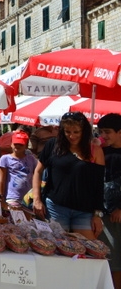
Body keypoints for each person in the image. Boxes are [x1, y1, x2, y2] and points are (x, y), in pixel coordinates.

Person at [32, 111, 105, 239]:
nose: (71, 136)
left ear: (84, 131)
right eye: (67, 132)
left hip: (84, 210)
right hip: (56, 206)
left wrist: (97, 215)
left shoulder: (95, 150)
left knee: (90, 251)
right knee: (56, 248)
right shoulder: (53, 145)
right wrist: (37, 199)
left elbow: (98, 184)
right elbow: (38, 171)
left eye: (76, 132)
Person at [96, 113, 121, 289]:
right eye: (100, 132)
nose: (103, 136)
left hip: (117, 212)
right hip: (104, 212)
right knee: (112, 259)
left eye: (107, 132)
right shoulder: (101, 152)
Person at [0, 131, 38, 207]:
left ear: (26, 146)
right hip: (12, 198)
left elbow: (37, 175)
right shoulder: (5, 159)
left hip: (28, 198)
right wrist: (1, 196)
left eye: (21, 144)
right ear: (11, 144)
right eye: (15, 144)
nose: (17, 146)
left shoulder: (31, 159)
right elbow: (1, 180)